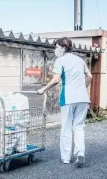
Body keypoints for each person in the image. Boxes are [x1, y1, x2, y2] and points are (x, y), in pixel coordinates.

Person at [37, 37, 93, 167]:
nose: (55, 50)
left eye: (56, 47)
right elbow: (90, 76)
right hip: (83, 98)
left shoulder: (60, 61)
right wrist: (82, 89)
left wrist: (43, 89)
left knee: (67, 127)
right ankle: (80, 153)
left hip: (68, 98)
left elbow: (56, 79)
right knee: (79, 126)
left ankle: (66, 158)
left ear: (63, 47)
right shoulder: (80, 60)